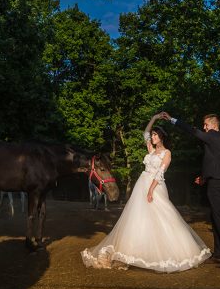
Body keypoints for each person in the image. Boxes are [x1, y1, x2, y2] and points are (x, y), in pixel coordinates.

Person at [81, 113, 211, 272]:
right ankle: (133, 251)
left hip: (156, 186)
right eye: (153, 135)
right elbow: (145, 133)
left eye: (156, 135)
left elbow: (160, 173)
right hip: (142, 184)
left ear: (161, 137)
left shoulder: (167, 153)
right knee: (138, 217)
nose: (153, 137)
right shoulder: (151, 150)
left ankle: (164, 251)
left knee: (161, 215)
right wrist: (154, 118)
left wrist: (150, 190)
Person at [161, 112, 220, 268]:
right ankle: (219, 255)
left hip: (217, 184)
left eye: (206, 124)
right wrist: (204, 177)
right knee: (215, 218)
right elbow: (215, 162)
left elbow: (192, 131)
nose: (204, 128)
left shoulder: (213, 135)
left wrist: (172, 120)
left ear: (214, 125)